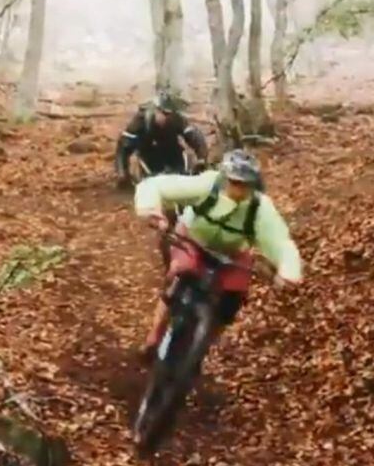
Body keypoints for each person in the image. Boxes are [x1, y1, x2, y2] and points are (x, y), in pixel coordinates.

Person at [133, 149, 301, 361]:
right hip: (193, 240)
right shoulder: (208, 185)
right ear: (224, 177)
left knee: (232, 300)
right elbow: (158, 186)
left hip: (232, 253)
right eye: (233, 182)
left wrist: (288, 272)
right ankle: (154, 337)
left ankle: (200, 350)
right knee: (178, 274)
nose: (238, 189)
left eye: (244, 184)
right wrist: (152, 210)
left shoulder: (259, 208)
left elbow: (279, 241)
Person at [115, 90, 209, 188]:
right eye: (163, 113)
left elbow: (195, 136)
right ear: (156, 110)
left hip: (172, 151)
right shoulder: (140, 121)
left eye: (169, 114)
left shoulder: (176, 119)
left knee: (182, 175)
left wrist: (202, 158)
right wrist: (122, 173)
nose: (166, 117)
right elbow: (123, 147)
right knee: (152, 179)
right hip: (149, 154)